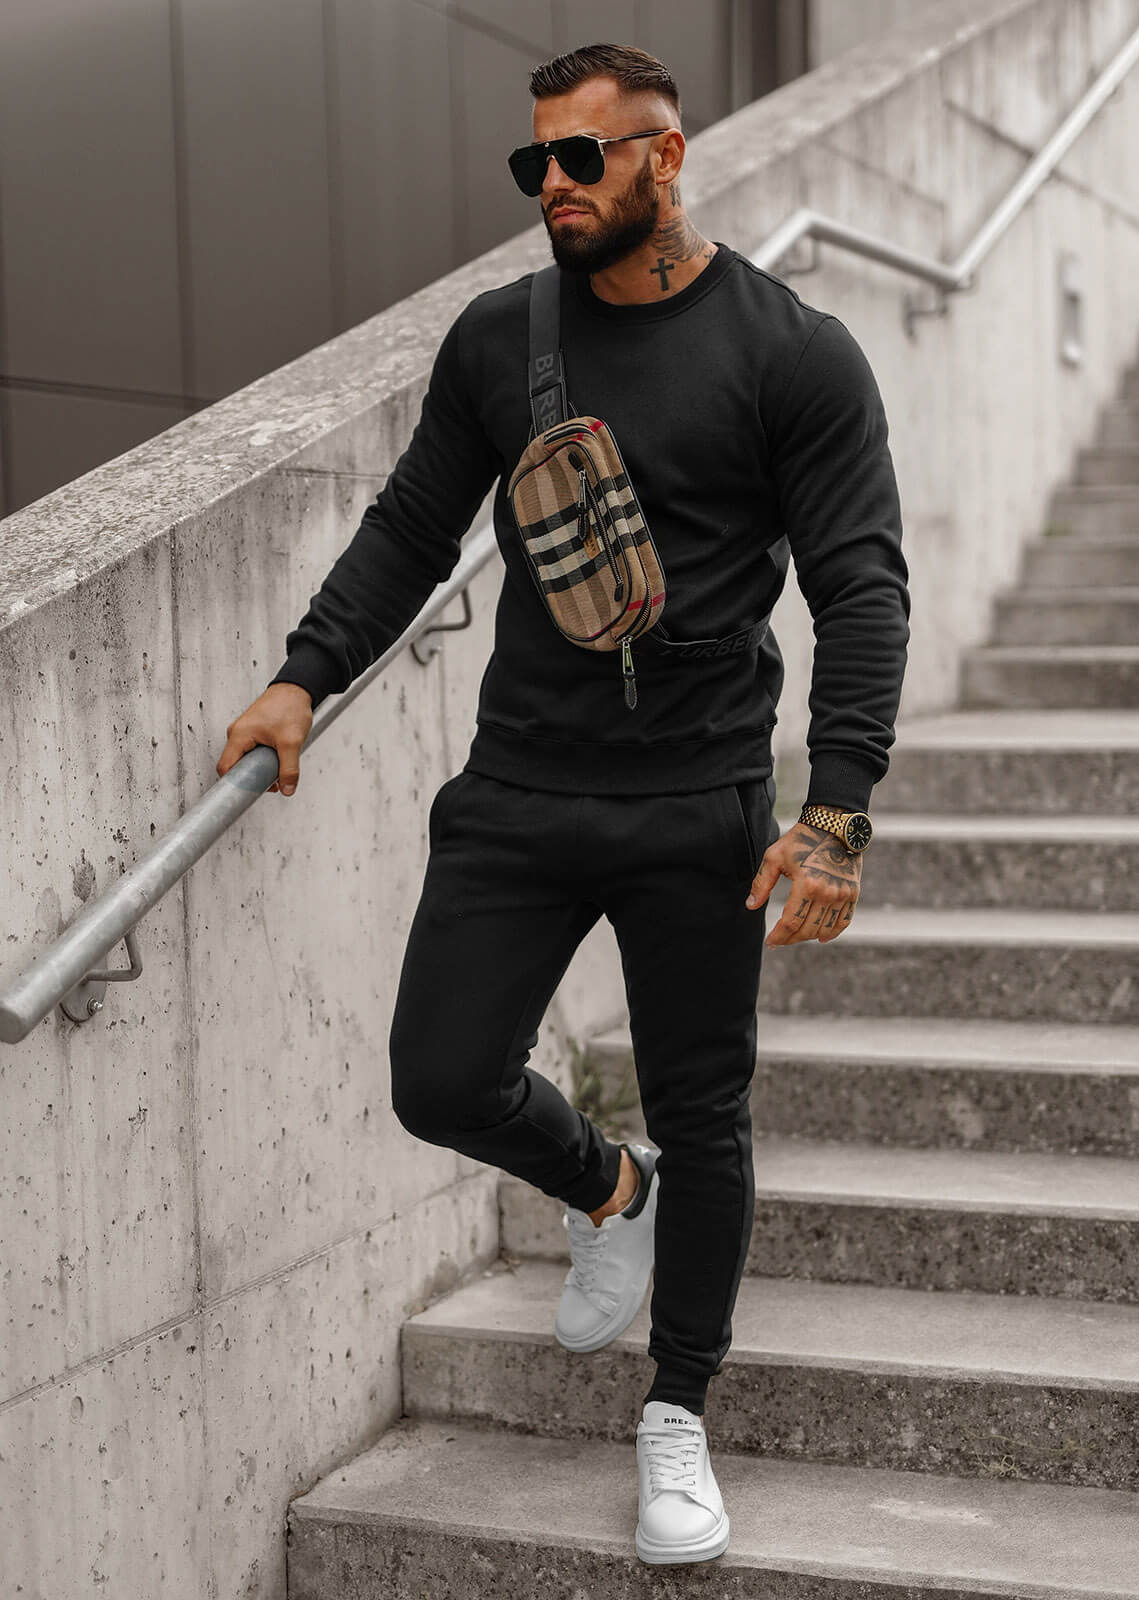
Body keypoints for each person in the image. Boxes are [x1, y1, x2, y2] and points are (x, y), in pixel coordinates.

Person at [216, 41, 909, 1567]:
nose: (552, 187)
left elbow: (861, 585)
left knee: (707, 1112)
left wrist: (838, 807)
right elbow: (413, 527)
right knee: (439, 1078)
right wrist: (301, 677)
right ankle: (607, 1188)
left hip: (701, 804)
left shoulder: (793, 354)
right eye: (536, 162)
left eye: (582, 158)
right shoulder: (500, 338)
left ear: (667, 155)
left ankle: (678, 1412)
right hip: (521, 787)